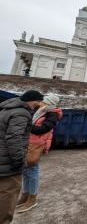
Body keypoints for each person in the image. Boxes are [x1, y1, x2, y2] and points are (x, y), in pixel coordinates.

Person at [0, 90, 43, 224]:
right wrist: (19, 161)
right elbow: (14, 138)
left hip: (3, 157)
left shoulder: (6, 109)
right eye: (38, 101)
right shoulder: (21, 113)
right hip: (8, 160)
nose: (39, 104)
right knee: (7, 195)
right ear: (32, 100)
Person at [17, 94, 63, 213]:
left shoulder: (52, 114)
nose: (40, 102)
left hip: (36, 145)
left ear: (48, 103)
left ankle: (32, 198)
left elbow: (43, 129)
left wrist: (27, 126)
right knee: (26, 170)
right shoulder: (40, 111)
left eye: (43, 101)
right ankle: (25, 195)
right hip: (29, 143)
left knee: (32, 170)